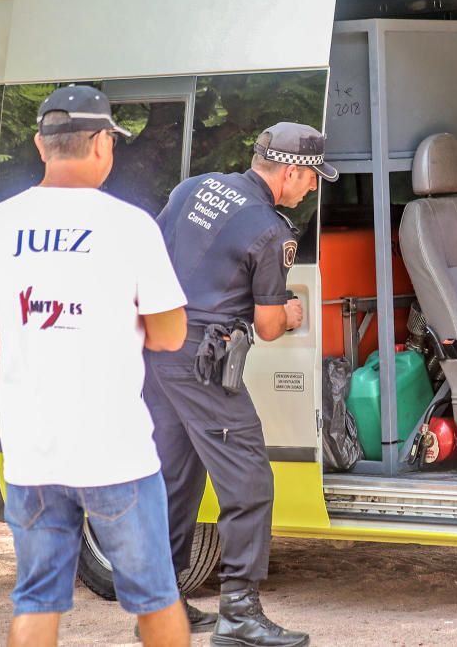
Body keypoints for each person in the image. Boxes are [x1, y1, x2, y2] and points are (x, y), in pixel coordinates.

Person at [0, 85, 190, 647]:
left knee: (36, 599)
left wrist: (19, 383)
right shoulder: (131, 226)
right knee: (156, 598)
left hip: (31, 453)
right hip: (117, 454)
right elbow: (171, 333)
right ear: (104, 144)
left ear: (41, 144)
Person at [144, 122, 337, 647]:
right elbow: (270, 325)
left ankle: (161, 612)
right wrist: (293, 313)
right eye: (312, 178)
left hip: (157, 348)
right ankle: (239, 616)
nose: (313, 189)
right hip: (204, 362)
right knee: (249, 481)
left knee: (177, 479)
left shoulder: (194, 188)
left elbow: (152, 258)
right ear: (291, 171)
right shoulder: (271, 230)